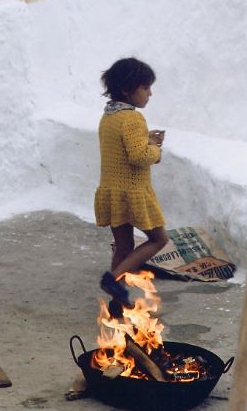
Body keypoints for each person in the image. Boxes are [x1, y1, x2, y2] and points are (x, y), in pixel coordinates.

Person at [94, 57, 168, 315]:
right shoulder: (133, 119)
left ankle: (116, 305)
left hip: (113, 192)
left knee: (124, 247)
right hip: (134, 192)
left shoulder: (110, 115)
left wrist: (145, 140)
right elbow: (138, 156)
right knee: (159, 239)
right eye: (145, 87)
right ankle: (112, 280)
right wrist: (155, 150)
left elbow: (123, 147)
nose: (150, 93)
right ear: (128, 89)